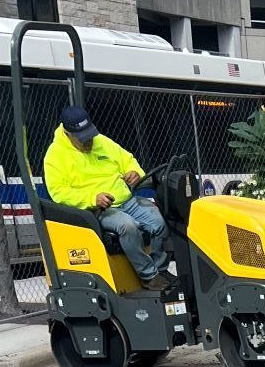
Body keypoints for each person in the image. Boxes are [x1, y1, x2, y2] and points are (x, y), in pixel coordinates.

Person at [43, 105, 170, 286]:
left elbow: (128, 160)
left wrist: (134, 172)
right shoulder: (55, 156)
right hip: (99, 209)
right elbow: (59, 192)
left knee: (159, 223)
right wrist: (92, 199)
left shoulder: (101, 141)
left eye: (90, 136)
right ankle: (149, 276)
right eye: (83, 138)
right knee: (128, 226)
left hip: (126, 200)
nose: (89, 142)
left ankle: (161, 270)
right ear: (68, 133)